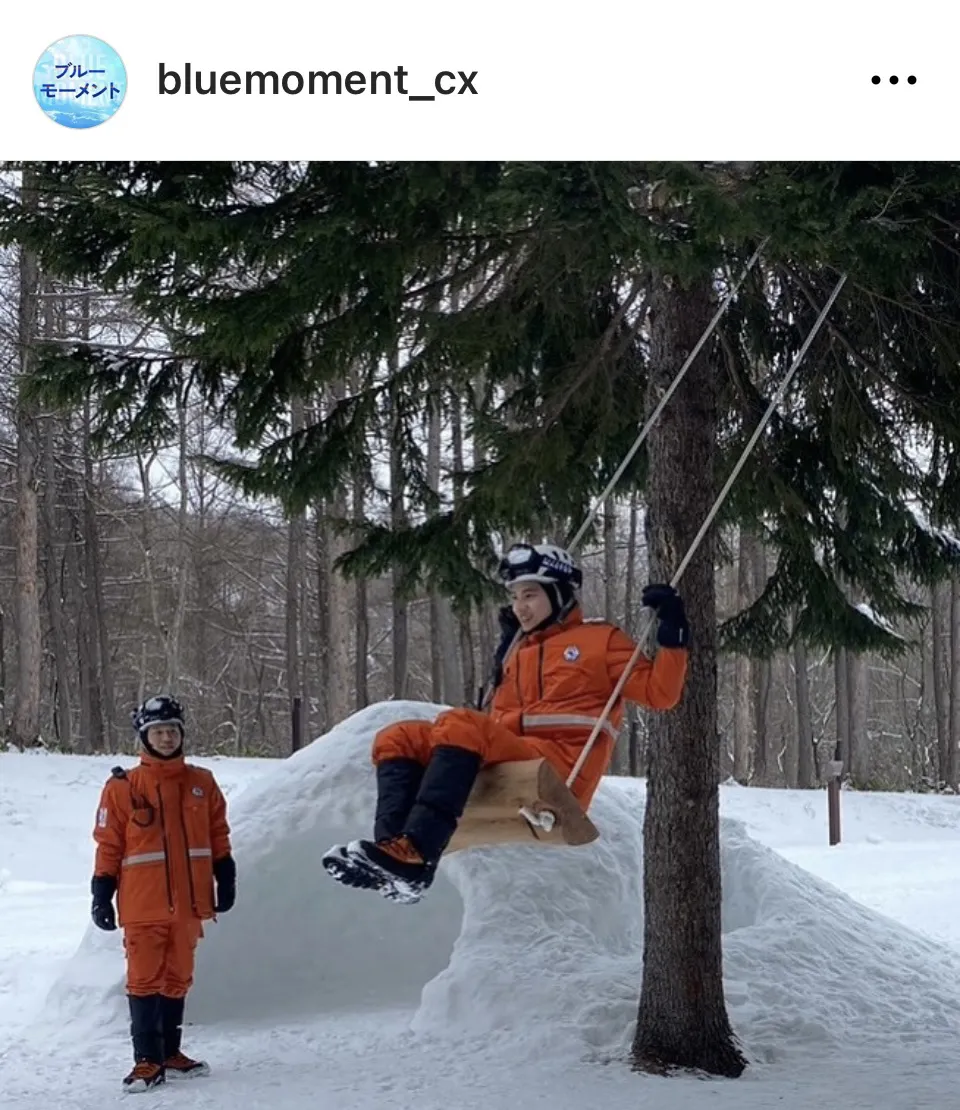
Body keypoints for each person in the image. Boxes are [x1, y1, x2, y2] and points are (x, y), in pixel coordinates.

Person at [323, 541, 689, 904]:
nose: (520, 607)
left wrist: (673, 631)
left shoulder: (600, 640)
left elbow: (661, 693)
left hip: (556, 770)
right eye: (515, 597)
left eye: (529, 595)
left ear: (558, 593)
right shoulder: (517, 650)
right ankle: (393, 852)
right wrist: (504, 656)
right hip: (509, 758)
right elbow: (497, 723)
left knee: (462, 723)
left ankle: (417, 853)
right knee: (397, 737)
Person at [90, 695, 237, 1093]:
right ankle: (147, 1062)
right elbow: (108, 843)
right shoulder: (123, 788)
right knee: (143, 979)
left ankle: (171, 1054)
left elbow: (218, 833)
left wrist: (226, 875)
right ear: (144, 736)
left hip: (190, 905)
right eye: (159, 731)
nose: (167, 738)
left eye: (173, 731)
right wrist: (102, 890)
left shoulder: (202, 783)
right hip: (143, 905)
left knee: (178, 977)